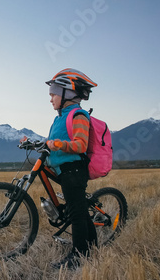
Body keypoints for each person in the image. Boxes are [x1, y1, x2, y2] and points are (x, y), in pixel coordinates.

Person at [44, 68, 98, 269]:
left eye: (53, 94)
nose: (50, 99)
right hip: (65, 170)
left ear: (68, 93)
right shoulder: (60, 117)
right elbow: (54, 141)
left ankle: (78, 257)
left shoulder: (78, 115)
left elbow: (80, 145)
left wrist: (58, 144)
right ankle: (92, 247)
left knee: (76, 214)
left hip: (74, 170)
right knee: (81, 211)